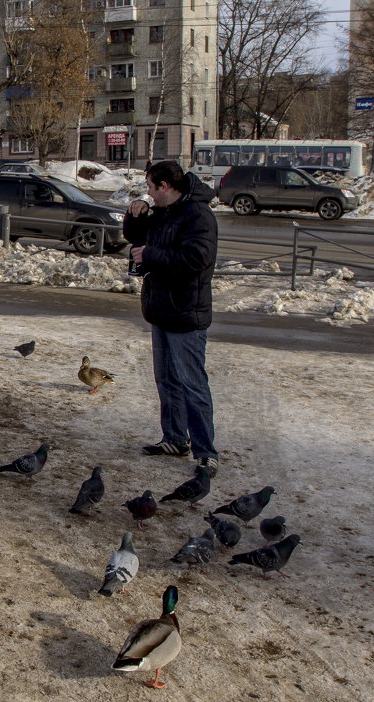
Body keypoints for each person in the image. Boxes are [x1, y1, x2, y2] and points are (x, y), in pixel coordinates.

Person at [124, 159, 219, 477]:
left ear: (165, 186)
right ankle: (175, 439)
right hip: (161, 310)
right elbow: (135, 236)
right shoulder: (163, 211)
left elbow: (197, 258)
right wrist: (135, 211)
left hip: (185, 313)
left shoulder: (198, 214)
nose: (148, 193)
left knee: (193, 384)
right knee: (166, 381)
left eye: (150, 188)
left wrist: (151, 255)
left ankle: (206, 452)